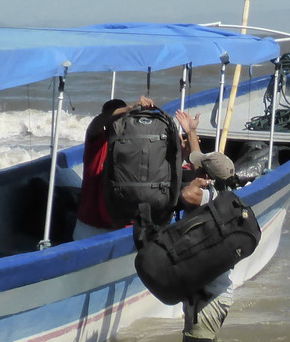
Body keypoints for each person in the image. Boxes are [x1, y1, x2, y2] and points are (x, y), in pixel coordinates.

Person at [72, 98, 202, 239]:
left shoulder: (133, 143)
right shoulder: (97, 141)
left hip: (123, 227)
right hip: (91, 226)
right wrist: (130, 108)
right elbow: (98, 122)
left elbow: (153, 172)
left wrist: (180, 154)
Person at [177, 150, 237, 342]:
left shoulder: (210, 200)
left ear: (206, 177)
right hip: (217, 296)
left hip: (207, 301)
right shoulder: (228, 198)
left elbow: (187, 194)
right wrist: (192, 132)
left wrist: (194, 182)